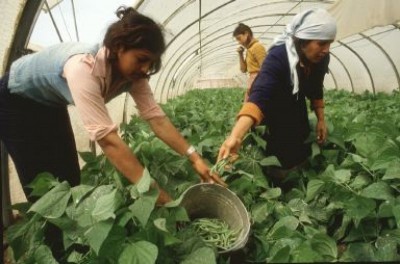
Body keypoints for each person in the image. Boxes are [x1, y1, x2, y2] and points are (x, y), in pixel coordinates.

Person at [0, 6, 226, 205]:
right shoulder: (83, 68)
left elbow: (156, 118)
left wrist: (194, 157)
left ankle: (72, 238)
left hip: (51, 102)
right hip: (16, 99)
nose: (146, 69)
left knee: (69, 177)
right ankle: (52, 242)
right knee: (43, 190)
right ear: (119, 47)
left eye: (151, 63)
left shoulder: (135, 75)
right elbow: (108, 141)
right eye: (141, 59)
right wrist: (157, 195)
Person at [219, 8, 337, 186]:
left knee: (301, 132)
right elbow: (260, 95)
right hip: (274, 103)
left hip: (296, 100)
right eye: (321, 43)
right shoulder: (279, 57)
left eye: (329, 43)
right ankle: (276, 181)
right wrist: (236, 135)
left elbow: (315, 87)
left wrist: (321, 119)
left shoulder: (321, 57)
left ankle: (300, 178)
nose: (326, 50)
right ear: (302, 41)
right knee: (280, 143)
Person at [233, 23, 267, 102]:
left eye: (239, 38)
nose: (239, 42)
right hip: (253, 83)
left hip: (258, 84)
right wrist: (240, 54)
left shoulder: (257, 47)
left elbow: (265, 70)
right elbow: (243, 70)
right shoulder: (249, 49)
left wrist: (256, 85)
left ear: (246, 34)